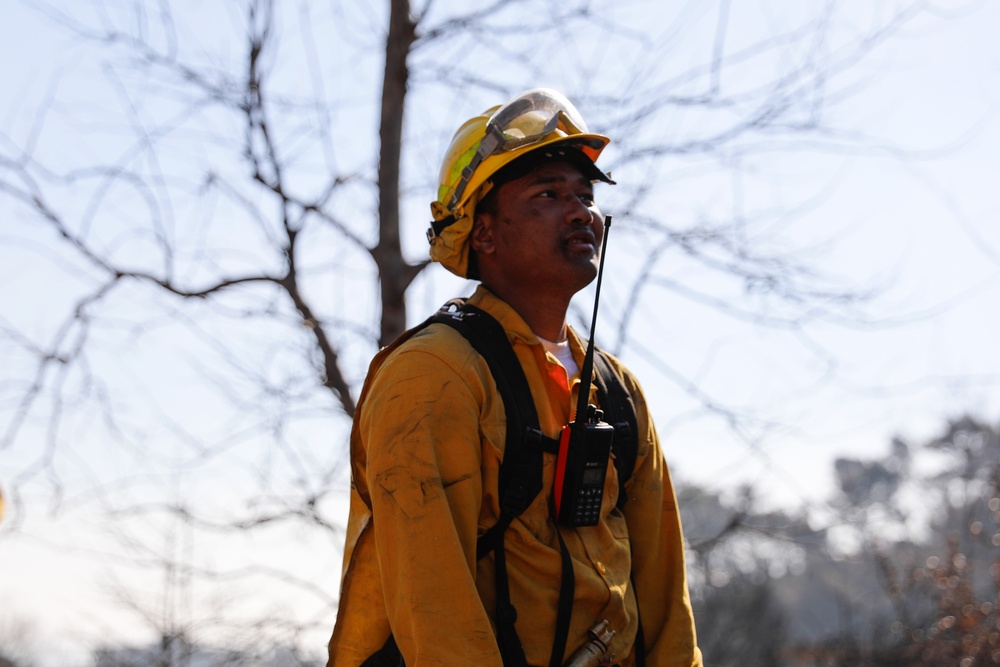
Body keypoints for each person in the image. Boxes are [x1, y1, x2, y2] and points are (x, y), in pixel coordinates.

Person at [328, 88, 702, 667]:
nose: (580, 211)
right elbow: (437, 616)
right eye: (548, 194)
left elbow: (666, 609)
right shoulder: (432, 376)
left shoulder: (617, 392)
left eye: (585, 194)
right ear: (483, 232)